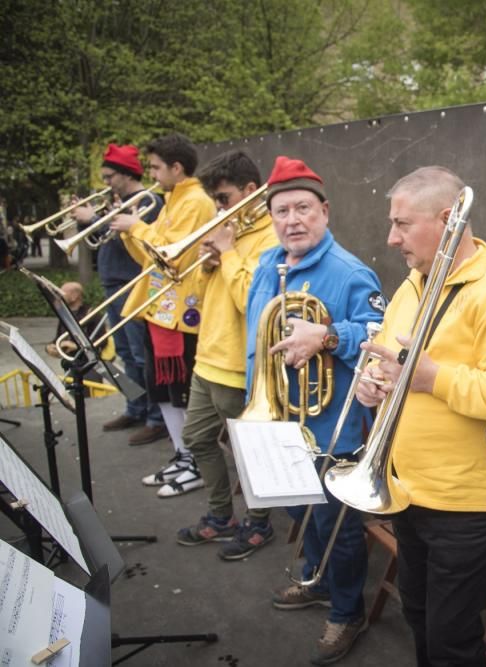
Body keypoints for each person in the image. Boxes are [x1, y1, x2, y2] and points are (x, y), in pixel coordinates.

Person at [354, 166, 486, 667]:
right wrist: (376, 387)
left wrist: (431, 379)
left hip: (464, 505)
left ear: (447, 219)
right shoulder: (412, 285)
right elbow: (396, 368)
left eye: (403, 223)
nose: (391, 237)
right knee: (419, 613)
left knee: (452, 640)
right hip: (406, 489)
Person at [246, 156, 383, 665]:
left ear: (324, 212)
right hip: (278, 419)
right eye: (281, 211)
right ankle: (318, 580)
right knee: (299, 512)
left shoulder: (350, 272)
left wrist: (325, 336)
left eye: (303, 208)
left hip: (331, 428)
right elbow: (255, 340)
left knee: (337, 530)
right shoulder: (267, 263)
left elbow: (377, 335)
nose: (292, 220)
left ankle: (347, 611)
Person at [174, 150, 279, 539]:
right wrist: (206, 264)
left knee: (251, 453)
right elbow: (203, 296)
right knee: (197, 439)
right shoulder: (227, 231)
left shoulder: (271, 237)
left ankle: (259, 523)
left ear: (251, 190)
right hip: (207, 360)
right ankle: (221, 516)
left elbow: (253, 302)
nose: (218, 207)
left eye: (224, 198)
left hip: (238, 366)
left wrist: (229, 253)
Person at [110, 133, 216, 495]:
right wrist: (130, 232)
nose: (151, 174)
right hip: (159, 308)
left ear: (176, 167)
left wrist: (135, 227)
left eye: (156, 167)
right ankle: (182, 453)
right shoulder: (172, 199)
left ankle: (196, 461)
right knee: (163, 392)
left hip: (181, 313)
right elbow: (148, 257)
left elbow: (175, 256)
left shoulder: (196, 201)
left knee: (181, 392)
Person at [70, 143, 167, 445]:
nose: (106, 182)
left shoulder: (146, 201)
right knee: (125, 354)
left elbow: (148, 244)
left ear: (126, 174)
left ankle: (157, 417)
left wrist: (103, 218)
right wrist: (88, 221)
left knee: (141, 354)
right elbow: (102, 239)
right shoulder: (115, 201)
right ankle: (136, 407)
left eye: (110, 176)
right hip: (113, 282)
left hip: (134, 283)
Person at [45, 281, 105, 359]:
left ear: (75, 295)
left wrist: (77, 346)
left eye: (62, 293)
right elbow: (59, 337)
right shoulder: (65, 314)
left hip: (87, 359)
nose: (58, 296)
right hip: (70, 360)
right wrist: (50, 347)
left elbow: (102, 341)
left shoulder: (91, 314)